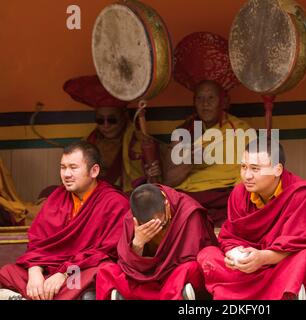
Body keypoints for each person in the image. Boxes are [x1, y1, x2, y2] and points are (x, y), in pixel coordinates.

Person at [197, 138, 306, 299]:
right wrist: (234, 255)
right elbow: (231, 236)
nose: (247, 175)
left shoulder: (302, 194)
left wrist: (263, 258)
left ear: (277, 170)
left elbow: (302, 243)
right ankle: (285, 291)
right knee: (207, 254)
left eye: (255, 169)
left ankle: (242, 293)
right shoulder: (239, 194)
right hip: (251, 268)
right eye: (243, 167)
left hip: (282, 265)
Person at [143, 32, 252, 227]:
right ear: (194, 102)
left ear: (223, 101)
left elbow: (250, 174)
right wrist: (190, 161)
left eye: (211, 98)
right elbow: (170, 180)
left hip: (225, 194)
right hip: (191, 196)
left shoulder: (240, 130)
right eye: (200, 99)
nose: (205, 104)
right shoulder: (184, 132)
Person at [0, 141, 129, 300]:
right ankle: (45, 293)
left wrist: (65, 272)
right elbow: (37, 243)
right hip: (50, 270)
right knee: (8, 272)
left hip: (80, 270)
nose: (66, 174)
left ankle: (29, 296)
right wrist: (35, 272)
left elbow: (107, 252)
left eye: (73, 168)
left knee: (102, 270)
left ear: (94, 171)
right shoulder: (57, 198)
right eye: (63, 167)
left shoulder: (114, 203)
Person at [95, 183, 217, 300]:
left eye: (162, 224)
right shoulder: (131, 219)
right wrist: (138, 244)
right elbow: (127, 266)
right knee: (106, 271)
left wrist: (160, 271)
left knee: (189, 269)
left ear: (167, 205)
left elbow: (194, 256)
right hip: (146, 278)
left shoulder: (189, 212)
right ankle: (175, 294)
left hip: (172, 275)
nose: (157, 231)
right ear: (136, 219)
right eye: (148, 227)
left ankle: (135, 295)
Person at [63, 75, 146, 194]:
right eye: (100, 120)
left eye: (112, 120)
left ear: (124, 117)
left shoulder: (137, 143)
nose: (106, 125)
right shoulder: (87, 143)